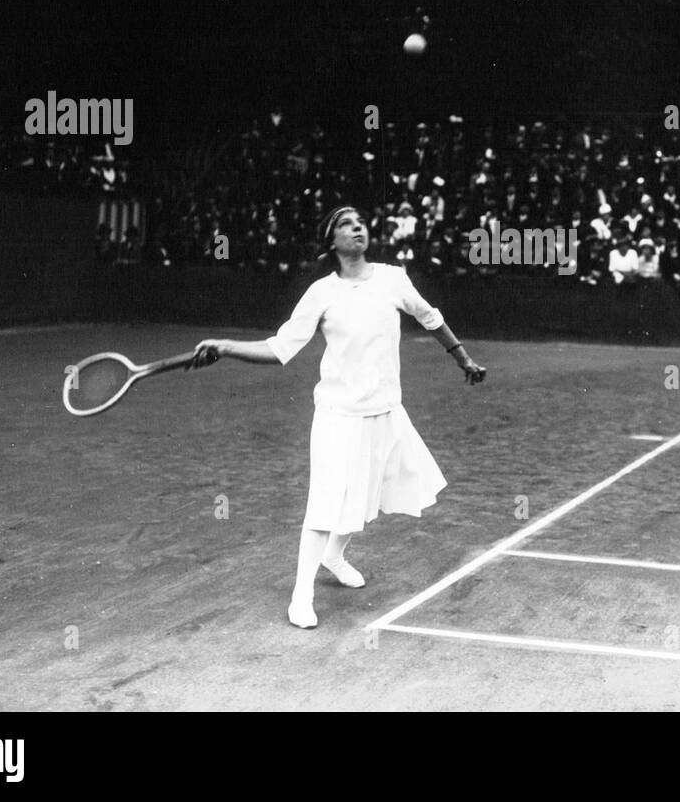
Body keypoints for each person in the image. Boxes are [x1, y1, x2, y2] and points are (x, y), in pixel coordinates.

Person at [190, 205, 487, 630]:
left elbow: (430, 318)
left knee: (366, 497)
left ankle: (334, 556)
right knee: (327, 503)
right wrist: (225, 345)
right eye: (347, 225)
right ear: (332, 240)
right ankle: (301, 596)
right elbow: (280, 349)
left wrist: (464, 359)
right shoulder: (320, 293)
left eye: (361, 222)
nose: (358, 228)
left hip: (384, 410)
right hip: (336, 415)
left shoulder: (392, 279)